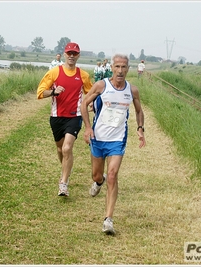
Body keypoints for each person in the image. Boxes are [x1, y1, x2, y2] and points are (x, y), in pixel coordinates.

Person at [80, 53, 146, 234]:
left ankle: (108, 219)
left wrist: (140, 128)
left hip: (118, 139)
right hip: (98, 138)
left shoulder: (132, 90)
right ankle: (98, 183)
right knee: (97, 176)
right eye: (117, 66)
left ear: (128, 69)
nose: (120, 70)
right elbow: (84, 104)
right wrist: (87, 128)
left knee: (112, 175)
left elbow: (140, 111)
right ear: (111, 67)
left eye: (124, 67)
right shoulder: (102, 86)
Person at [37, 42, 93, 197]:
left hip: (74, 116)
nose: (72, 56)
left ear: (78, 55)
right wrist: (53, 92)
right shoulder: (55, 72)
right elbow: (40, 92)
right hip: (56, 117)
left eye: (75, 54)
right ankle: (66, 169)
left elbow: (91, 92)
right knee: (60, 149)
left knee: (67, 148)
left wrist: (92, 103)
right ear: (64, 54)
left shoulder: (83, 75)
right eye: (69, 53)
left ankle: (63, 184)